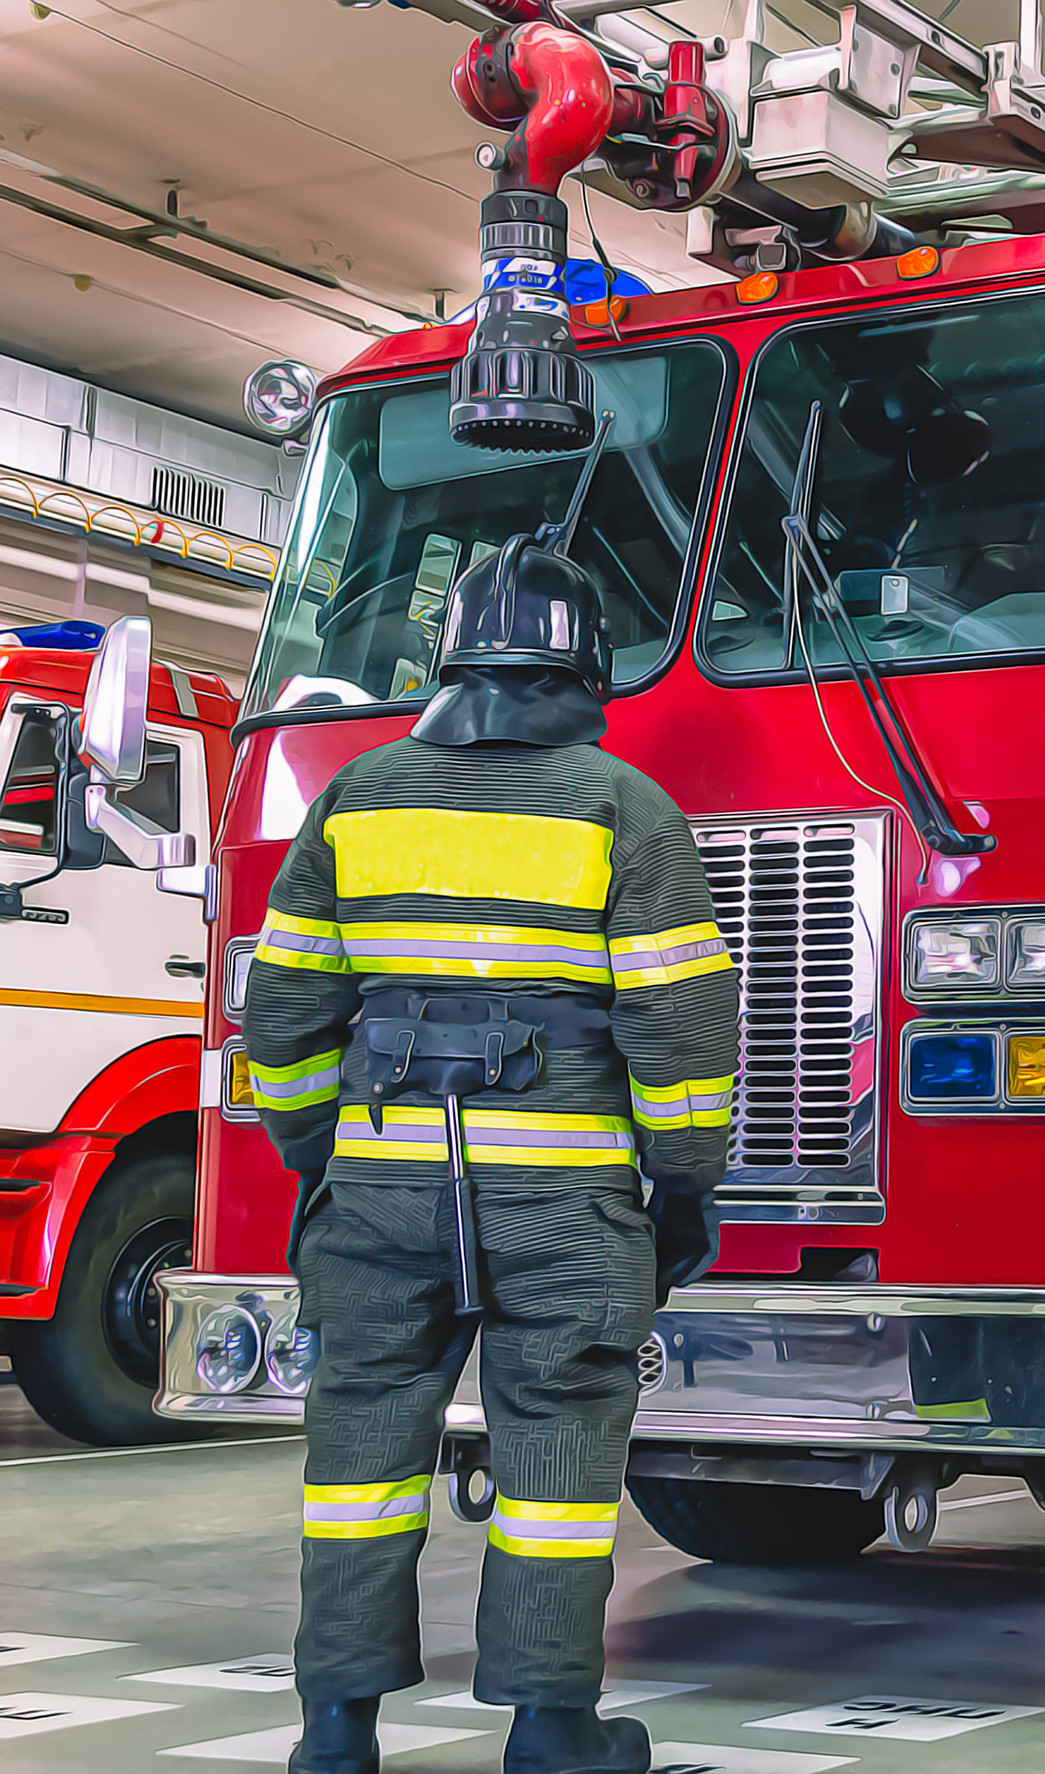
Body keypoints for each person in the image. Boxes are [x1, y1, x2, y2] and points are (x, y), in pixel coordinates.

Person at [243, 526, 740, 1774]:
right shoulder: (624, 808)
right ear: (588, 671)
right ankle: (551, 1729)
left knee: (356, 1454)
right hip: (565, 1203)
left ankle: (334, 1730)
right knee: (558, 1460)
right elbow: (678, 1024)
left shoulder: (351, 800)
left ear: (448, 658)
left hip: (379, 1187)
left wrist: (321, 1154)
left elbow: (288, 1011)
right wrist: (683, 1188)